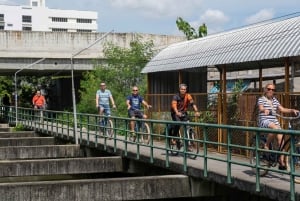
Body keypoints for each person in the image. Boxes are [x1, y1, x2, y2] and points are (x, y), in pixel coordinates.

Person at [257, 83, 299, 170]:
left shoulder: (275, 100)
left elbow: (282, 109)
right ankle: (266, 145)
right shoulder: (261, 99)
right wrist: (264, 110)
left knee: (281, 141)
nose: (271, 91)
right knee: (275, 128)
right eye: (269, 89)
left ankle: (281, 160)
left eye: (273, 90)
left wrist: (292, 110)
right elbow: (261, 108)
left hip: (274, 121)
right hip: (264, 120)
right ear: (265, 90)